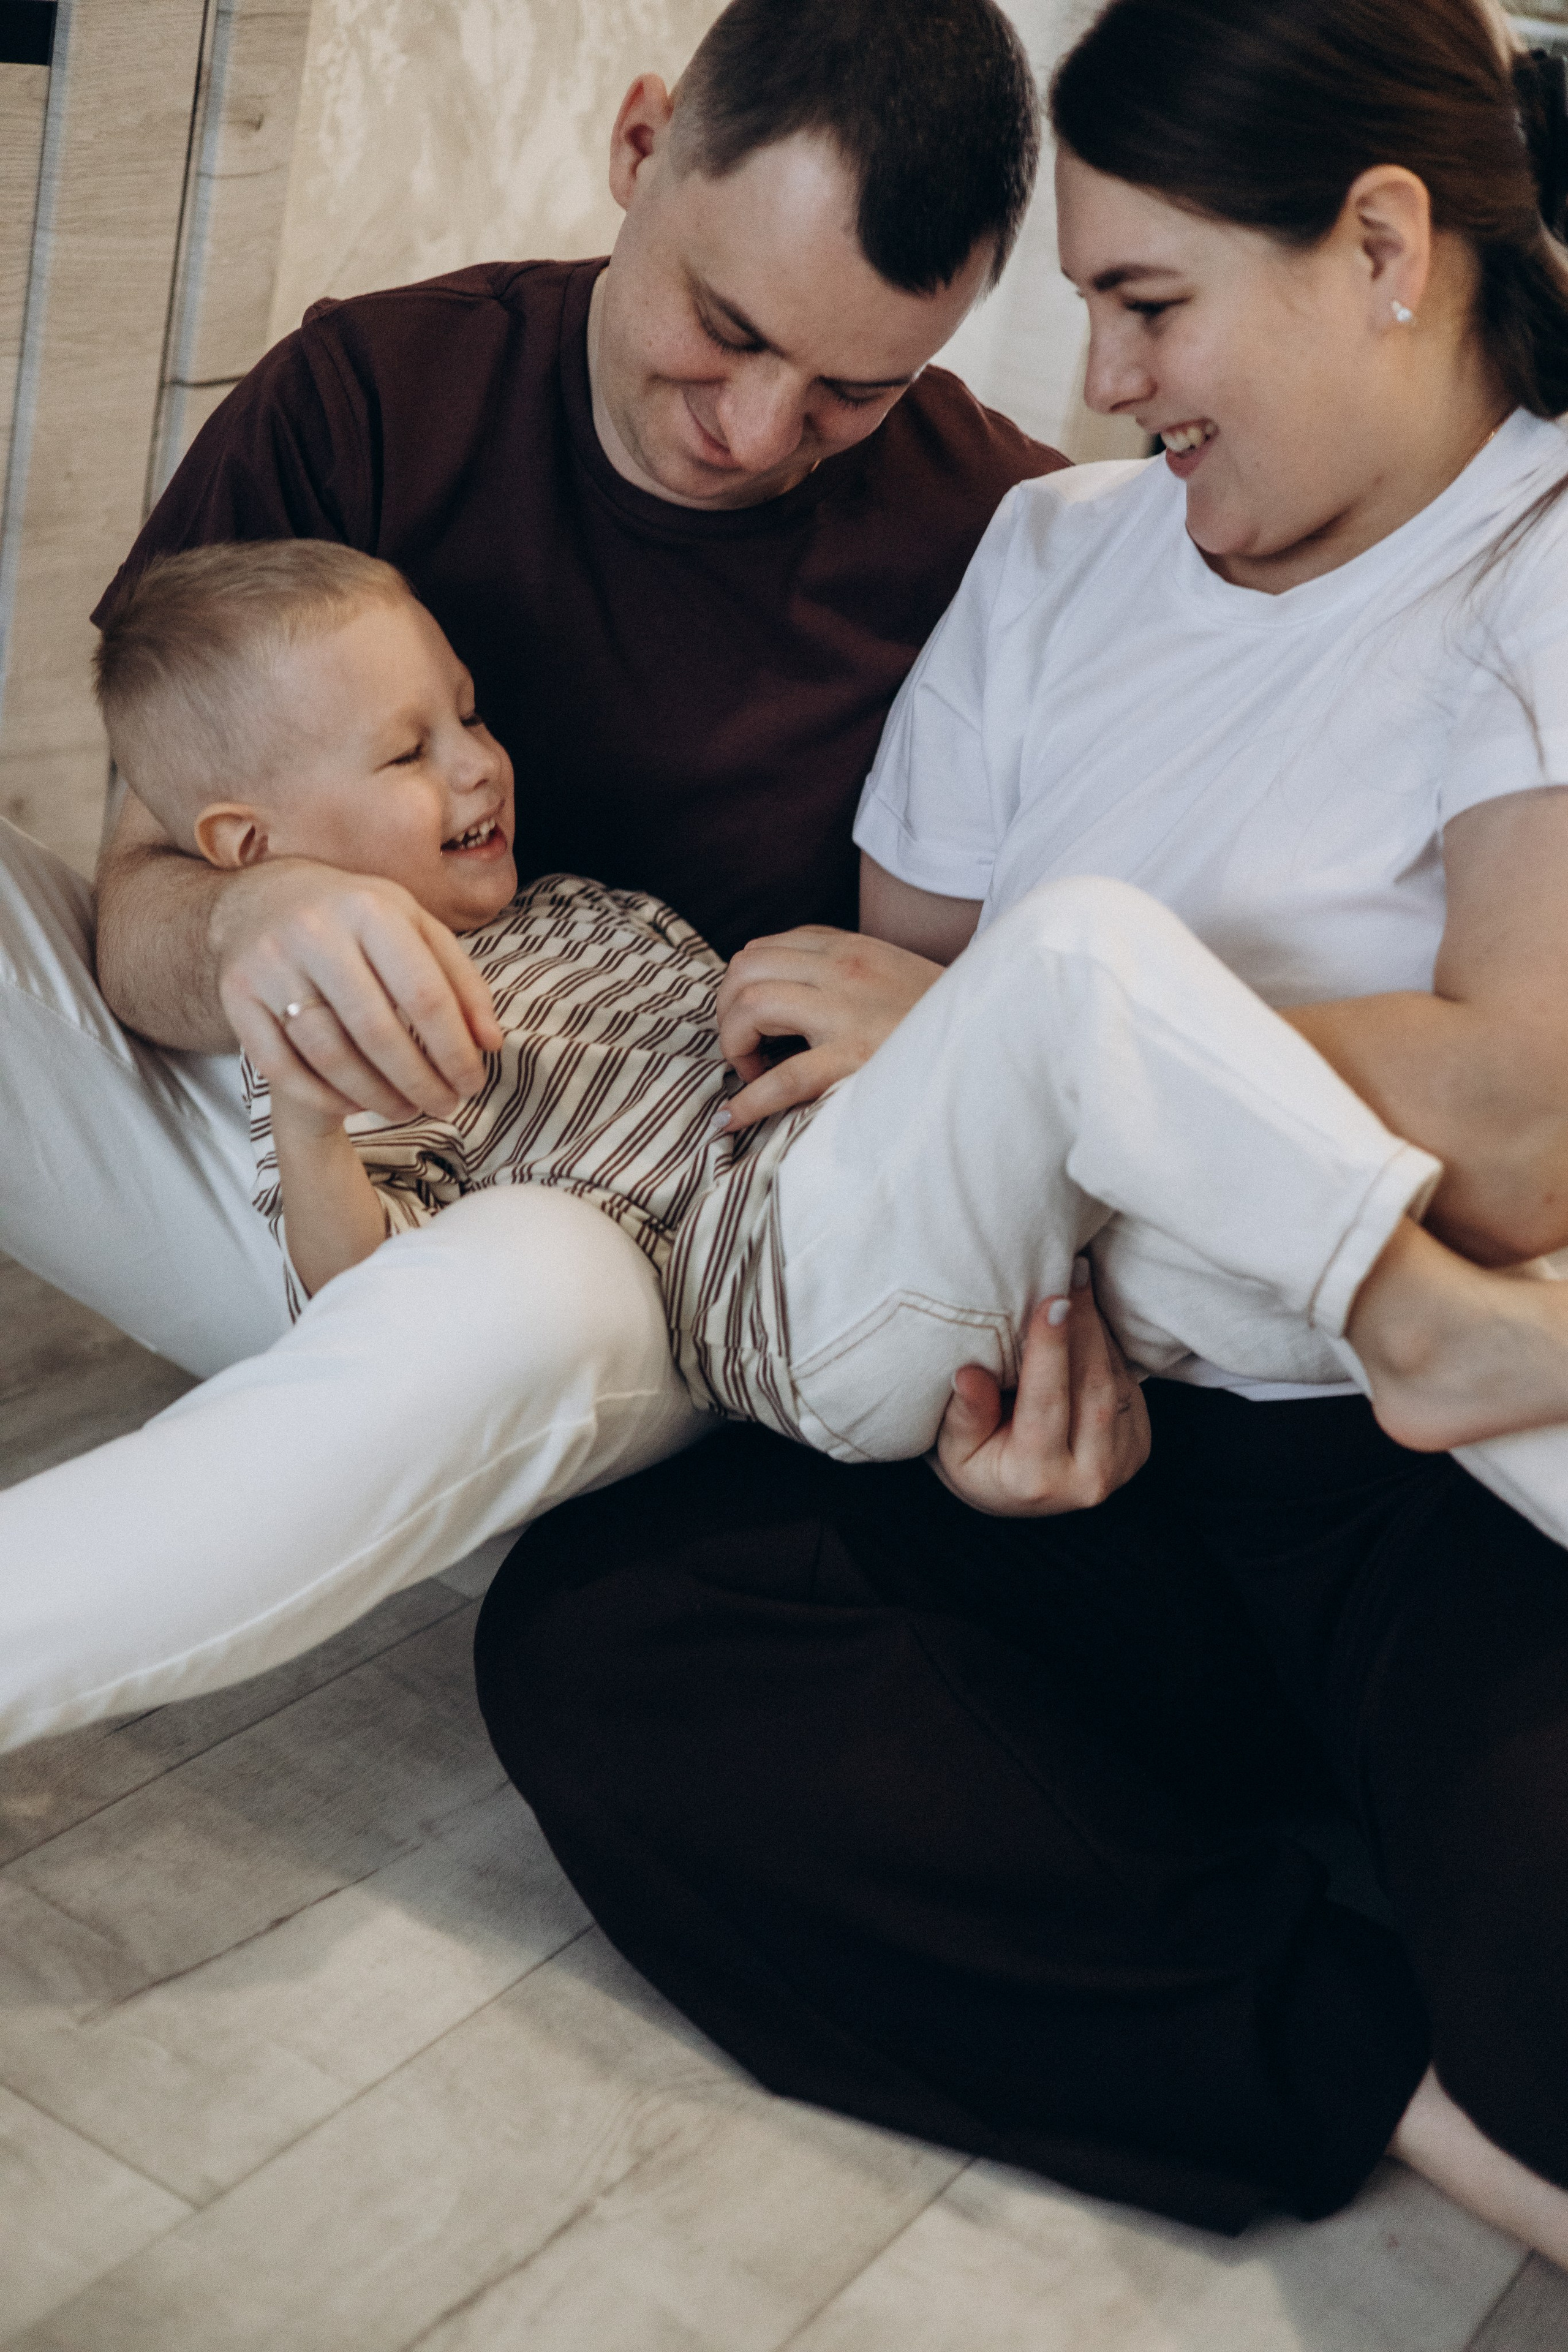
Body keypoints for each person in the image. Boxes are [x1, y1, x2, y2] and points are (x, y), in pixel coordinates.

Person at [467, 0, 1568, 2269]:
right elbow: (884, 1110)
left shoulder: (1542, 560)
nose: (1111, 387)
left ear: (1383, 245)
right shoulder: (1061, 559)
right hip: (1097, 1436)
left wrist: (1013, 1030)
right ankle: (1391, 2085)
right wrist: (990, 1349)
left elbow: (1532, 1118)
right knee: (610, 1646)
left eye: (1152, 306)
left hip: (1419, 1479)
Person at [0, 0, 1090, 1727]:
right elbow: (140, 888)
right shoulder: (368, 391)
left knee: (515, 1290)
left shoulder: (1008, 541)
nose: (751, 426)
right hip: (256, 1140)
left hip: (609, 1242)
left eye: (851, 394)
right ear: (643, 145)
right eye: (721, 330)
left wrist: (944, 1030)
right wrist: (248, 924)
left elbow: (1094, 988)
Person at [91, 537, 1568, 1490]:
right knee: (1074, 955)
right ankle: (1432, 1330)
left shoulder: (572, 912)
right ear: (250, 845)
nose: (478, 766)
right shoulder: (356, 1038)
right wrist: (297, 1103)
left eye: (468, 714)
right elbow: (358, 1311)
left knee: (1249, 1251)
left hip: (925, 1225)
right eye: (407, 752)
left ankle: (1475, 1350)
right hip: (807, 1294)